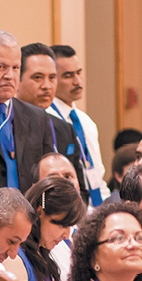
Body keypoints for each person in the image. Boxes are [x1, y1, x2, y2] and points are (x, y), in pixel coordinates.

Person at [0, 30, 54, 192]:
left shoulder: (37, 117)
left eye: (15, 68)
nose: (9, 75)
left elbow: (47, 176)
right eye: (0, 67)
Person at [15, 43, 86, 201]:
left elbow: (81, 187)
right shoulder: (8, 127)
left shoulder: (64, 128)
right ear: (17, 80)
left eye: (52, 78)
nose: (47, 86)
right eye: (37, 78)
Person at [3, 177, 84, 281]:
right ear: (40, 211)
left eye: (70, 226)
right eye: (62, 225)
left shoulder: (44, 255)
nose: (66, 235)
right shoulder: (15, 258)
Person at [49, 44, 110, 205]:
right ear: (52, 79)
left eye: (79, 73)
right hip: (71, 204)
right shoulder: (47, 120)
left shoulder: (85, 121)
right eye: (68, 75)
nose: (77, 81)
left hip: (97, 203)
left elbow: (97, 174)